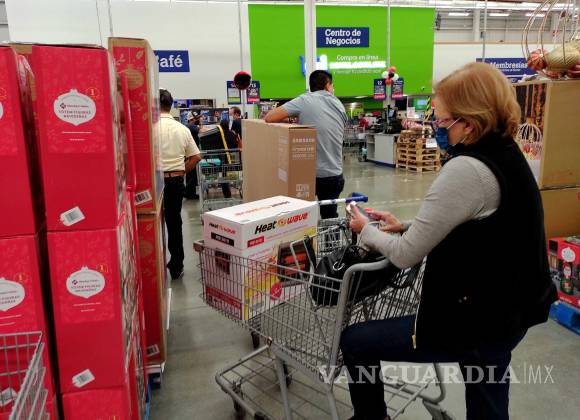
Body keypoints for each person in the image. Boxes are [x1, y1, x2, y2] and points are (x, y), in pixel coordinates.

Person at [344, 62, 557, 420]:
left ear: (468, 123)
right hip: (512, 310)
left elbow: (405, 255)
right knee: (487, 392)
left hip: (474, 319)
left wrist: (365, 229)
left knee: (355, 342)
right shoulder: (507, 153)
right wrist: (407, 224)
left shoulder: (466, 168)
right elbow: (482, 220)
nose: (436, 127)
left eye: (442, 120)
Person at [265, 70, 347, 219]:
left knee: (302, 218)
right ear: (327, 85)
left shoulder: (304, 100)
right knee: (330, 217)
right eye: (332, 85)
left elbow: (269, 117)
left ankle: (308, 234)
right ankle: (330, 233)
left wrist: (292, 120)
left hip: (308, 175)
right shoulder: (339, 104)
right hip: (334, 175)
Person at [159, 89, 201, 280]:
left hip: (151, 181)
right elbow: (196, 156)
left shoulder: (147, 127)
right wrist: (182, 171)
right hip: (175, 181)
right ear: (171, 105)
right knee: (174, 223)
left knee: (148, 223)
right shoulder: (182, 129)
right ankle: (176, 266)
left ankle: (151, 263)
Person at [184, 111, 201, 200]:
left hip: (189, 153)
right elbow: (202, 131)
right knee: (191, 174)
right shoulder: (191, 126)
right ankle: (190, 193)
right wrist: (201, 123)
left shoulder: (188, 126)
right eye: (196, 118)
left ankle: (189, 192)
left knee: (190, 174)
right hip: (191, 154)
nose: (197, 120)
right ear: (192, 119)